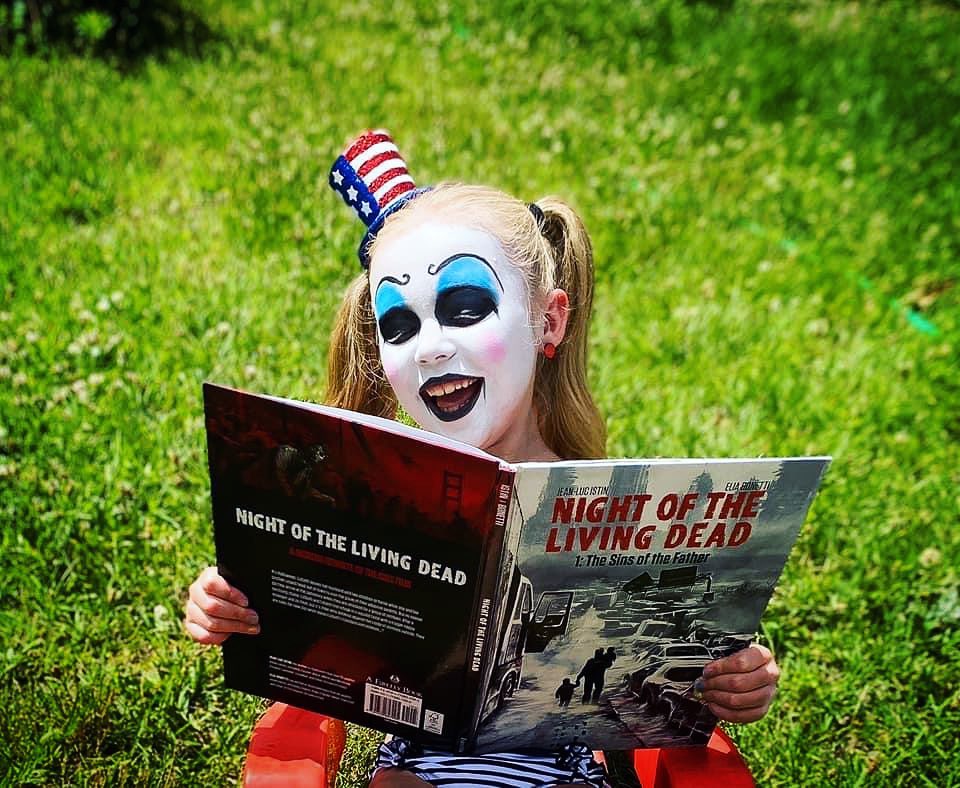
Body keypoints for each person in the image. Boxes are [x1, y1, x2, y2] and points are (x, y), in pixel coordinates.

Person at [185, 130, 781, 787]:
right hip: (415, 770)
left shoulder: (602, 504)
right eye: (399, 325)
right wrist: (229, 602)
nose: (431, 348)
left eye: (465, 308)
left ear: (548, 321)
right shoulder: (360, 487)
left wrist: (735, 678)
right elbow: (295, 607)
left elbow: (672, 659)